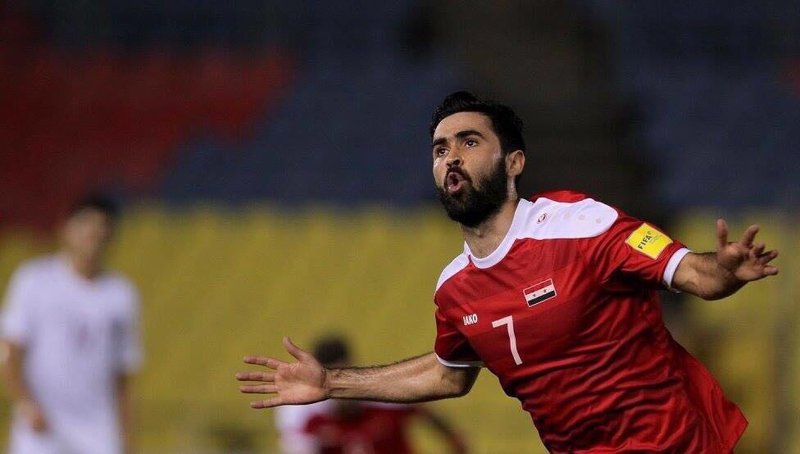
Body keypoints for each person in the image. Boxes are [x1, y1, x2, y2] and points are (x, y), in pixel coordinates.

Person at [236, 91, 779, 453]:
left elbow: (697, 276)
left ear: (514, 162)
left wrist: (724, 269)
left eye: (469, 142)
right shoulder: (455, 289)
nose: (451, 157)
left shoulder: (579, 224)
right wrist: (331, 382)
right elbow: (450, 375)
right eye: (440, 149)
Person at [1, 195, 142, 454]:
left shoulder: (120, 294)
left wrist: (126, 436)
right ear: (66, 229)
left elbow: (121, 375)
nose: (93, 234)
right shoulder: (34, 280)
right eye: (86, 224)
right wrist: (24, 402)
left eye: (101, 227)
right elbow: (10, 348)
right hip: (43, 425)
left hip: (98, 429)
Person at [276, 335, 467, 454]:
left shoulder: (386, 401)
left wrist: (455, 442)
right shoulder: (315, 423)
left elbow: (429, 413)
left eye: (341, 376)